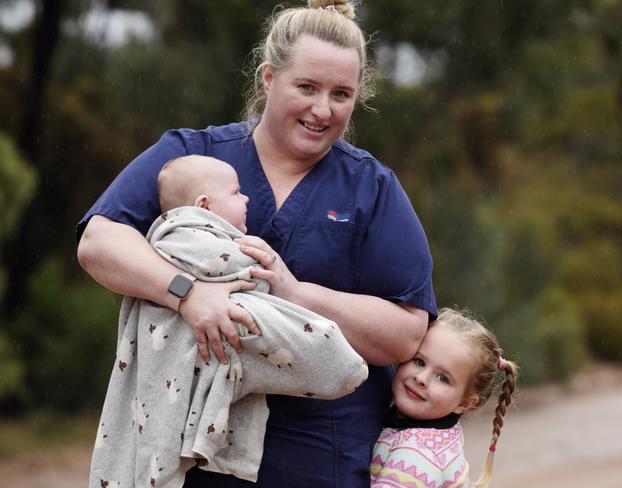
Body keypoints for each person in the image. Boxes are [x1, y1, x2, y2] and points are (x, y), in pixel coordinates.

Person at [76, 1, 436, 486]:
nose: (322, 110)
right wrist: (188, 294)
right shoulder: (194, 154)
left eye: (341, 94)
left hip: (321, 460)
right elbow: (99, 242)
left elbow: (405, 334)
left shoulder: (372, 189)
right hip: (194, 459)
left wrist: (296, 293)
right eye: (306, 87)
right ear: (268, 78)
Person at [90, 154, 368, 487]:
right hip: (183, 358)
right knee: (309, 342)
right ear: (204, 205)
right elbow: (250, 275)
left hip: (198, 363)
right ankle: (335, 360)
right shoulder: (183, 236)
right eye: (236, 192)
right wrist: (263, 266)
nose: (247, 197)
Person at [370, 308, 519, 488]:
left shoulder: (416, 453)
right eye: (419, 361)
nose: (421, 378)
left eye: (442, 378)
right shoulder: (440, 433)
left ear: (464, 403)